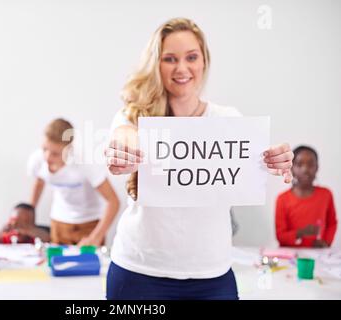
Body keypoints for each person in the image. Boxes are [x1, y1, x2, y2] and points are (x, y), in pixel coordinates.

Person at [104, 17, 294, 300]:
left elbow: (255, 160)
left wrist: (276, 159)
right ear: (157, 65)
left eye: (191, 57)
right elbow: (123, 134)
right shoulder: (133, 115)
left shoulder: (228, 120)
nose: (182, 68)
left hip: (212, 276)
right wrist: (124, 148)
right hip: (139, 273)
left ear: (204, 61)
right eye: (170, 59)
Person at [28, 118, 120, 246]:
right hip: (58, 224)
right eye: (45, 149)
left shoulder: (86, 162)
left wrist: (96, 237)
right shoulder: (37, 159)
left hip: (89, 225)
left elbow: (113, 201)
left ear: (68, 150)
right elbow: (39, 182)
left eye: (55, 154)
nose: (47, 157)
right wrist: (29, 214)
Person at [275, 145, 337, 247]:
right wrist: (301, 233)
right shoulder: (282, 199)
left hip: (319, 256)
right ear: (291, 168)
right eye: (299, 164)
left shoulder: (326, 194)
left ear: (317, 167)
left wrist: (326, 242)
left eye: (310, 164)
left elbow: (332, 224)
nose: (305, 169)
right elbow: (280, 236)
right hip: (290, 256)